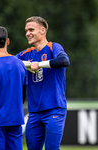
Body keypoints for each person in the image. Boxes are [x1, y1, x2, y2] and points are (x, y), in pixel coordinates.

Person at [16, 16, 70, 150]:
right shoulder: (27, 54)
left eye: (31, 29)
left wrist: (39, 65)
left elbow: (64, 61)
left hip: (54, 109)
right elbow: (8, 63)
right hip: (34, 113)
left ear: (42, 30)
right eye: (26, 30)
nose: (27, 33)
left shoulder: (54, 47)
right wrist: (26, 64)